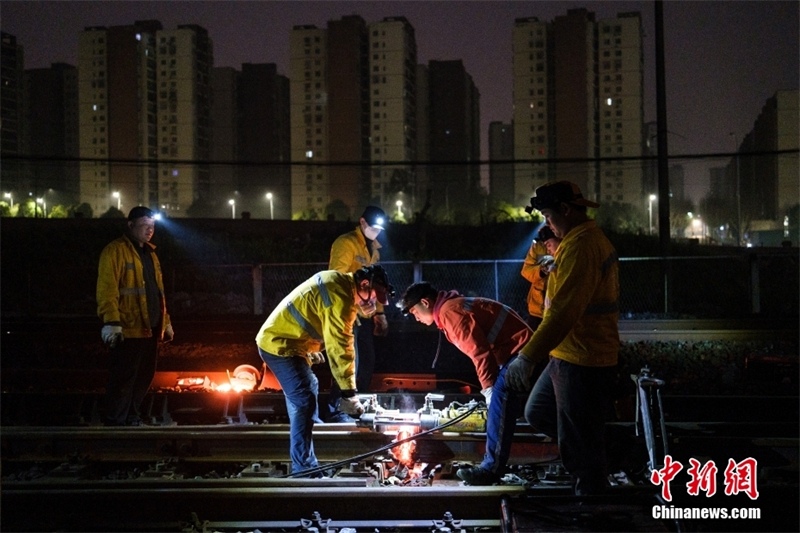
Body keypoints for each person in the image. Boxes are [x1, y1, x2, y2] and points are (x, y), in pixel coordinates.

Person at [506, 181, 620, 496]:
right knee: (540, 413)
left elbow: (564, 313)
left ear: (566, 210)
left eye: (547, 215)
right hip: (568, 353)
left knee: (578, 437)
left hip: (583, 357)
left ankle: (591, 498)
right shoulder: (574, 241)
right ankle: (600, 458)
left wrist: (527, 357)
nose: (547, 224)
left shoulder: (582, 246)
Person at [255, 265, 394, 477]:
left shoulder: (340, 284)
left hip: (287, 340)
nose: (373, 303)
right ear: (364, 285)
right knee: (304, 398)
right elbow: (340, 349)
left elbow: (317, 319)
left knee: (308, 389)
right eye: (374, 296)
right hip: (279, 344)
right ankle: (305, 469)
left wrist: (310, 348)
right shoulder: (342, 300)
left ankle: (308, 445)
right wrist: (349, 394)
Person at [397, 281, 533, 486]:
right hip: (518, 349)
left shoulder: (449, 312)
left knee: (499, 396)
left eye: (415, 311)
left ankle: (491, 469)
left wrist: (488, 389)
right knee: (506, 400)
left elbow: (480, 353)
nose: (415, 318)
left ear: (425, 302)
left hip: (520, 351)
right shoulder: (452, 307)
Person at [96, 206, 174, 426]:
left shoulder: (151, 253)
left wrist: (165, 322)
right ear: (130, 225)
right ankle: (116, 420)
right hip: (128, 328)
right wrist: (111, 322)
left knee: (143, 376)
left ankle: (130, 416)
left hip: (150, 327)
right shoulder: (114, 251)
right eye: (145, 226)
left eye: (152, 226)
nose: (150, 230)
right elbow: (107, 289)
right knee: (124, 377)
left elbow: (158, 292)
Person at [325, 205, 389, 422]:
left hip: (361, 316)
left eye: (380, 229)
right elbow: (337, 279)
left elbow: (375, 285)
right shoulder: (346, 243)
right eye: (373, 228)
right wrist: (359, 304)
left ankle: (353, 407)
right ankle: (337, 409)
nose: (376, 232)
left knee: (366, 362)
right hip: (345, 314)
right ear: (362, 223)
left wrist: (379, 313)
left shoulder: (374, 251)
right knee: (348, 363)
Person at [520, 225, 561, 330]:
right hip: (537, 308)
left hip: (556, 308)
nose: (547, 247)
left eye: (549, 244)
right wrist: (542, 270)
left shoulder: (568, 248)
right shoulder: (537, 247)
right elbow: (526, 271)